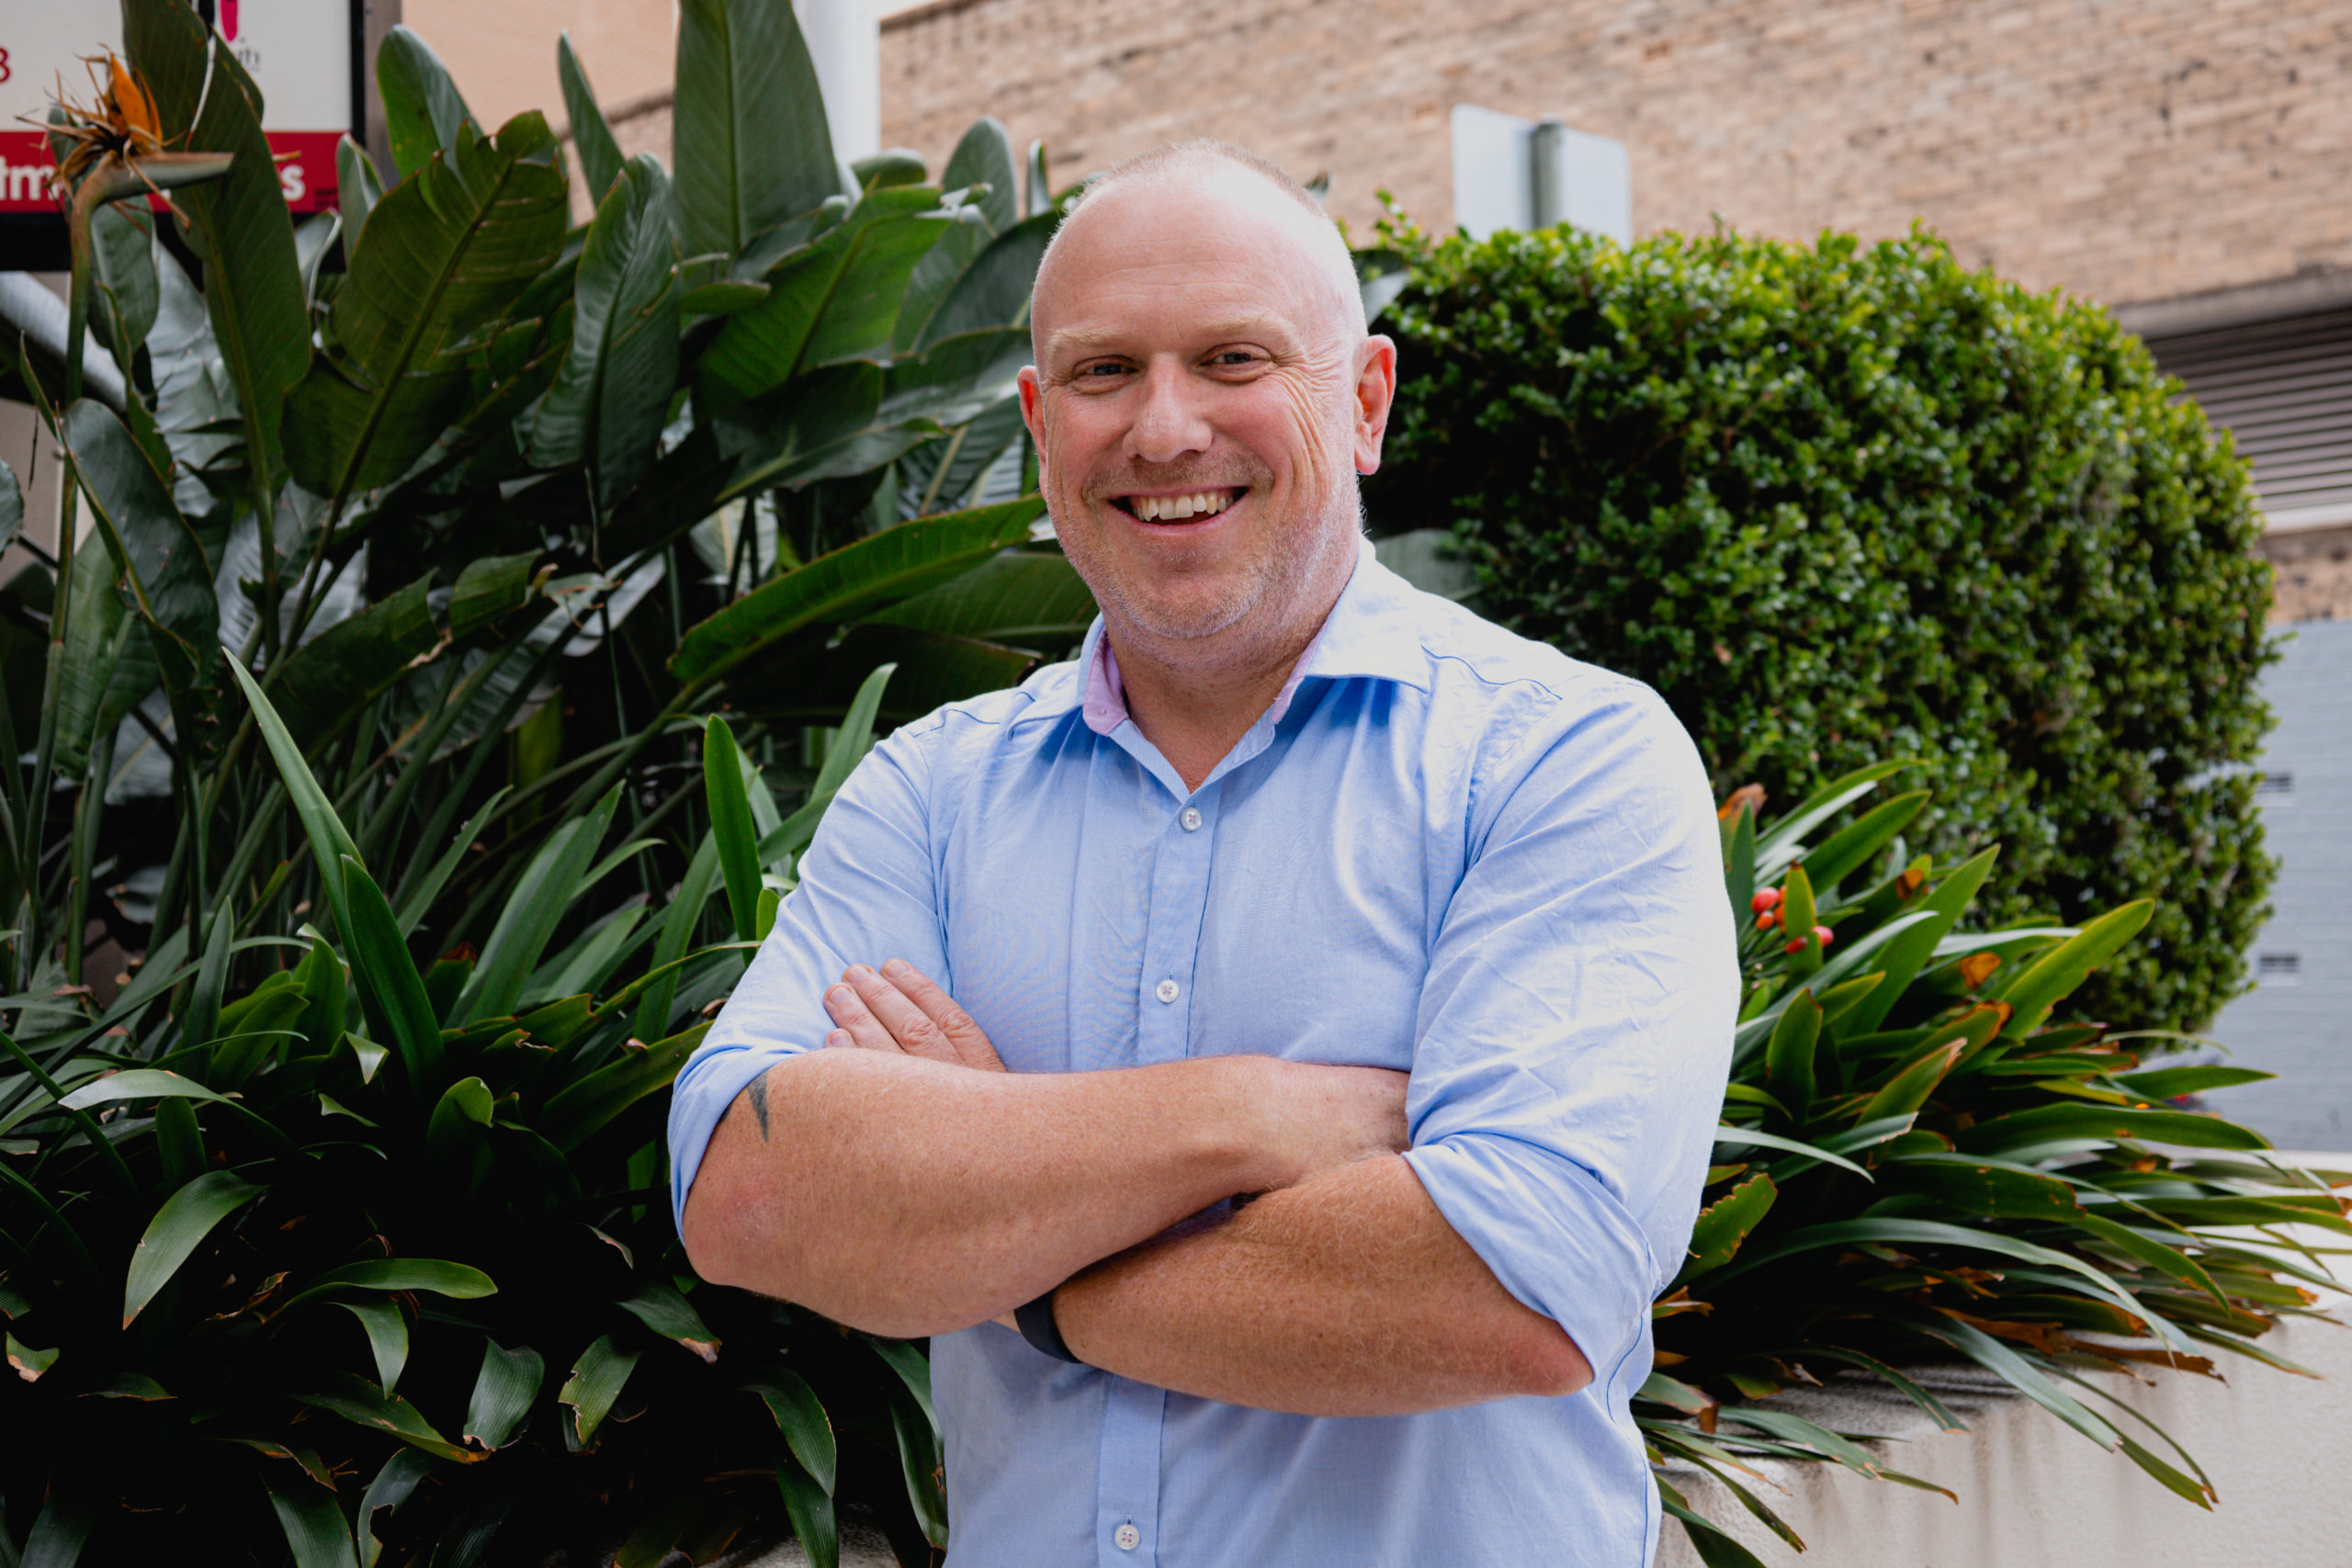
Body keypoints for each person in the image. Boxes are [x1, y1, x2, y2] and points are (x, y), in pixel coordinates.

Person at [671, 139, 1736, 1566]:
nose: (1166, 430)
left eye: (1234, 358)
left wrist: (1019, 1252)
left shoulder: (1559, 761)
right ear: (1043, 424)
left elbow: (1513, 1290)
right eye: (1106, 373)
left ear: (1362, 401)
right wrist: (1245, 1117)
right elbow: (749, 1192)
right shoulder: (927, 796)